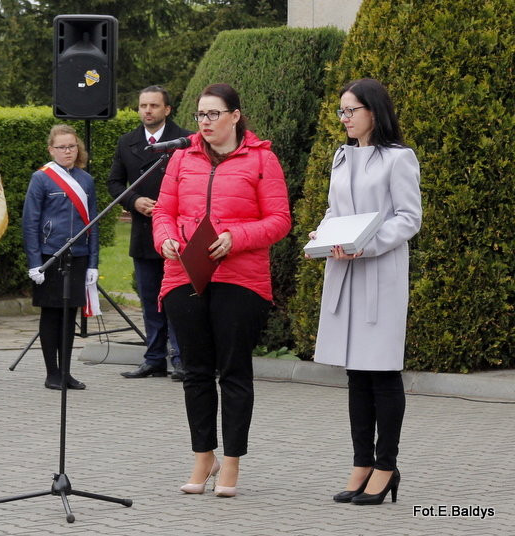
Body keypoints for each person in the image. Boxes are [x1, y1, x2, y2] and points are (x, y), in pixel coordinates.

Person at [153, 83, 290, 497]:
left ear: (235, 115)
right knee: (194, 372)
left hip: (240, 278)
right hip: (183, 275)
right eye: (201, 115)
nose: (206, 122)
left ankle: (231, 462)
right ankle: (203, 456)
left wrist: (236, 237)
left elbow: (280, 220)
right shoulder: (181, 157)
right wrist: (165, 240)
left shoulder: (262, 159)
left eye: (214, 114)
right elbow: (163, 211)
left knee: (233, 372)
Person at [308, 78, 421, 505]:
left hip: (380, 274)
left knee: (383, 371)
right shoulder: (341, 157)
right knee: (356, 373)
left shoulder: (399, 158)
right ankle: (361, 462)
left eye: (351, 110)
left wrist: (364, 244)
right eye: (341, 111)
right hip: (344, 271)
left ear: (373, 111)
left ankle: (386, 465)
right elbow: (337, 209)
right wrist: (323, 232)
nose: (345, 118)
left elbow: (409, 218)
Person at [108, 85, 192, 381]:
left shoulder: (185, 141)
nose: (147, 111)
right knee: (149, 299)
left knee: (178, 299)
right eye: (143, 106)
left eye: (154, 106)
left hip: (176, 234)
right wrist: (134, 201)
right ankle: (155, 357)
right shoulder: (127, 142)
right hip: (144, 232)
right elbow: (115, 183)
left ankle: (182, 359)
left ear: (167, 110)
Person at [22, 124, 99, 390]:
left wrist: (93, 263)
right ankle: (51, 373)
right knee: (51, 315)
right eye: (62, 147)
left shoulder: (85, 180)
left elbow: (93, 224)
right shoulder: (41, 178)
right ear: (51, 149)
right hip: (49, 257)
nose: (68, 151)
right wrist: (34, 263)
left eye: (72, 146)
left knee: (69, 316)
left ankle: (66, 372)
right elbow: (30, 223)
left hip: (77, 256)